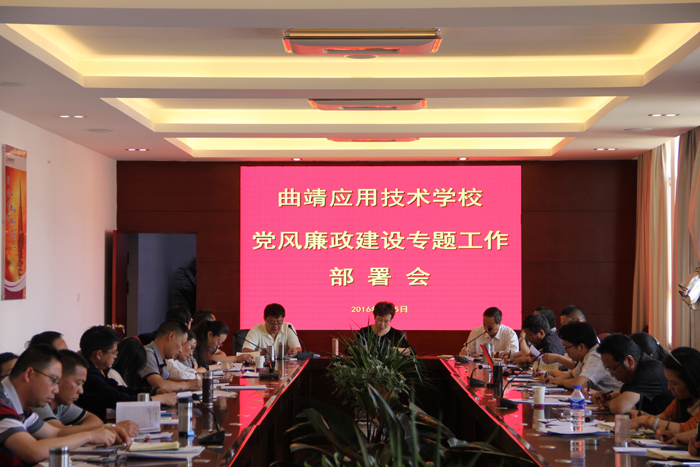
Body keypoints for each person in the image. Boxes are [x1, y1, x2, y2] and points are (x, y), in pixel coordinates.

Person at [0, 345, 120, 465]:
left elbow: (55, 433)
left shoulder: (21, 406)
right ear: (29, 374)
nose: (56, 390)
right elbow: (33, 451)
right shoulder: (2, 404)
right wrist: (89, 436)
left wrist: (105, 430)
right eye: (53, 380)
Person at [77, 326, 177, 421]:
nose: (116, 356)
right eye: (114, 352)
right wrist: (159, 399)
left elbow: (120, 390)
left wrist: (153, 391)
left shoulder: (97, 371)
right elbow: (118, 399)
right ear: (99, 354)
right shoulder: (88, 376)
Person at [31, 350, 138, 438]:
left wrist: (102, 428)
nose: (81, 391)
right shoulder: (39, 402)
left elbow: (96, 422)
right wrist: (110, 427)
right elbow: (58, 432)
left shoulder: (62, 405)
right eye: (78, 383)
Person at [629, 347, 700, 443]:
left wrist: (644, 421)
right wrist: (649, 418)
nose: (669, 387)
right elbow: (665, 417)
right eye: (668, 381)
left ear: (692, 380)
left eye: (674, 383)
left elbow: (690, 429)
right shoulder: (682, 400)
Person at [593, 334, 673, 415]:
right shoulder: (639, 367)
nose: (612, 375)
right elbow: (620, 393)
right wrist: (606, 396)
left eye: (613, 369)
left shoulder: (649, 373)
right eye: (608, 370)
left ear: (629, 360)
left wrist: (605, 403)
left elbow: (619, 407)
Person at [537, 321, 621, 393]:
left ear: (581, 346)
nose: (565, 351)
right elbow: (572, 375)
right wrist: (550, 377)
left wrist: (560, 381)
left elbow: (579, 384)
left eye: (566, 347)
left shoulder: (596, 355)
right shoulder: (586, 355)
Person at [137, 320, 201, 391]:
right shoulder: (148, 353)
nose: (180, 350)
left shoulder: (159, 357)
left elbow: (169, 379)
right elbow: (160, 385)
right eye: (181, 344)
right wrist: (188, 385)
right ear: (171, 336)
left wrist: (193, 382)